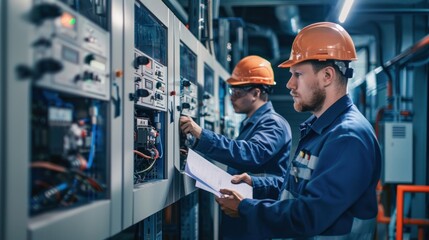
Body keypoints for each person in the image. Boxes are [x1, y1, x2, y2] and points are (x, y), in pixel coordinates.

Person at [215, 22, 382, 239]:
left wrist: (246, 208)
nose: (289, 84)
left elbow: (308, 215)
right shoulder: (321, 130)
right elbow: (300, 190)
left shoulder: (347, 137)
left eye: (298, 74)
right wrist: (256, 184)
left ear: (327, 76)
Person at [180, 55, 292, 239]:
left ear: (256, 93)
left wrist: (201, 134)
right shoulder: (252, 123)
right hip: (243, 214)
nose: (232, 97)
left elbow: (250, 153)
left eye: (237, 92)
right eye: (232, 91)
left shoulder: (273, 124)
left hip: (254, 220)